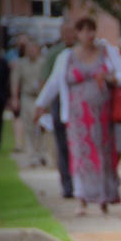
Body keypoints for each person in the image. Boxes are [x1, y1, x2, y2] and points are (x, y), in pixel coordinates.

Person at [34, 16, 121, 216]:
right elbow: (54, 82)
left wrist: (110, 78)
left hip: (102, 116)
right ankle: (82, 198)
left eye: (91, 30)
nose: (89, 35)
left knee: (103, 155)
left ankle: (104, 196)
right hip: (77, 117)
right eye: (84, 30)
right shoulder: (67, 56)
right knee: (80, 156)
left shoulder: (107, 52)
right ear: (78, 33)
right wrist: (40, 105)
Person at [42, 19, 77, 198]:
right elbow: (47, 80)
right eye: (67, 32)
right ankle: (67, 185)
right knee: (62, 146)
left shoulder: (82, 50)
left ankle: (79, 182)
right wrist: (42, 105)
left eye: (73, 32)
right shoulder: (56, 53)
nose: (70, 35)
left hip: (78, 104)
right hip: (59, 103)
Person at [10, 38, 46, 167]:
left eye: (34, 48)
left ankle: (42, 152)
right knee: (29, 125)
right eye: (30, 48)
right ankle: (32, 154)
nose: (32, 51)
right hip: (27, 97)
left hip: (40, 97)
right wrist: (15, 98)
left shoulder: (43, 63)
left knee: (42, 125)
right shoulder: (21, 64)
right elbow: (15, 82)